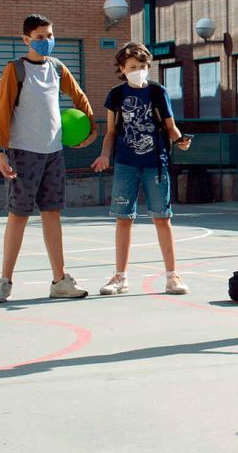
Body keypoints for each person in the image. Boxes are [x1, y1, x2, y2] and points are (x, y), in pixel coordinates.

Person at [0, 14, 97, 303]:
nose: (46, 41)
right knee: (19, 216)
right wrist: (1, 151)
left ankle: (60, 280)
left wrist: (91, 126)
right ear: (26, 39)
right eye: (39, 37)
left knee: (52, 215)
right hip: (23, 152)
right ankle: (5, 281)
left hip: (53, 154)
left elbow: (79, 96)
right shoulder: (15, 69)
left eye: (50, 35)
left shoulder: (58, 68)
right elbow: (2, 111)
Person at [90, 42, 193, 295]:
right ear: (122, 69)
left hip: (155, 164)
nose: (139, 70)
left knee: (162, 218)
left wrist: (180, 141)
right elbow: (111, 132)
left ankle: (172, 276)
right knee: (123, 219)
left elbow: (171, 127)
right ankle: (120, 276)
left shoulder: (158, 92)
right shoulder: (116, 95)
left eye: (144, 66)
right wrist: (105, 155)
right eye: (133, 67)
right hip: (126, 164)